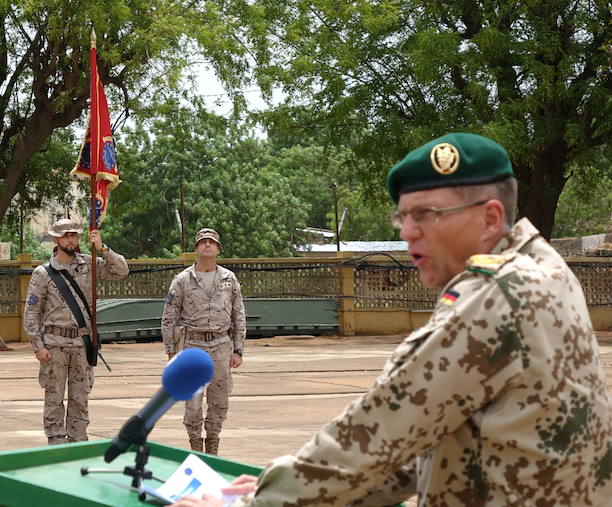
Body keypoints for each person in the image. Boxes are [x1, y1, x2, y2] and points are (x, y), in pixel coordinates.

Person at [174, 133, 612, 506]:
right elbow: (411, 449)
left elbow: (376, 432)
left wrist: (259, 501)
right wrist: (280, 490)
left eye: (426, 215)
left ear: (490, 217)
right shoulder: (543, 268)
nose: (407, 231)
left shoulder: (499, 297)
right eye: (402, 216)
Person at [23, 218, 129, 445]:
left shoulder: (89, 265)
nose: (71, 239)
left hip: (82, 344)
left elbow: (121, 271)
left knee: (80, 399)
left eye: (74, 235)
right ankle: (56, 446)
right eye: (65, 235)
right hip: (54, 345)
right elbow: (32, 312)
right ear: (56, 239)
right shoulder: (43, 273)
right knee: (54, 399)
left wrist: (102, 247)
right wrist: (37, 346)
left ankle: (78, 444)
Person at [161, 228, 246, 456]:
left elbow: (238, 314)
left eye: (212, 242)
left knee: (219, 400)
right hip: (192, 347)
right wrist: (171, 351)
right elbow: (169, 317)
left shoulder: (229, 278)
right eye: (203, 242)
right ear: (196, 248)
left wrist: (238, 349)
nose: (207, 245)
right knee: (194, 403)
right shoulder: (182, 280)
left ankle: (213, 448)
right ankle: (195, 448)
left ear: (218, 249)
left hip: (221, 345)